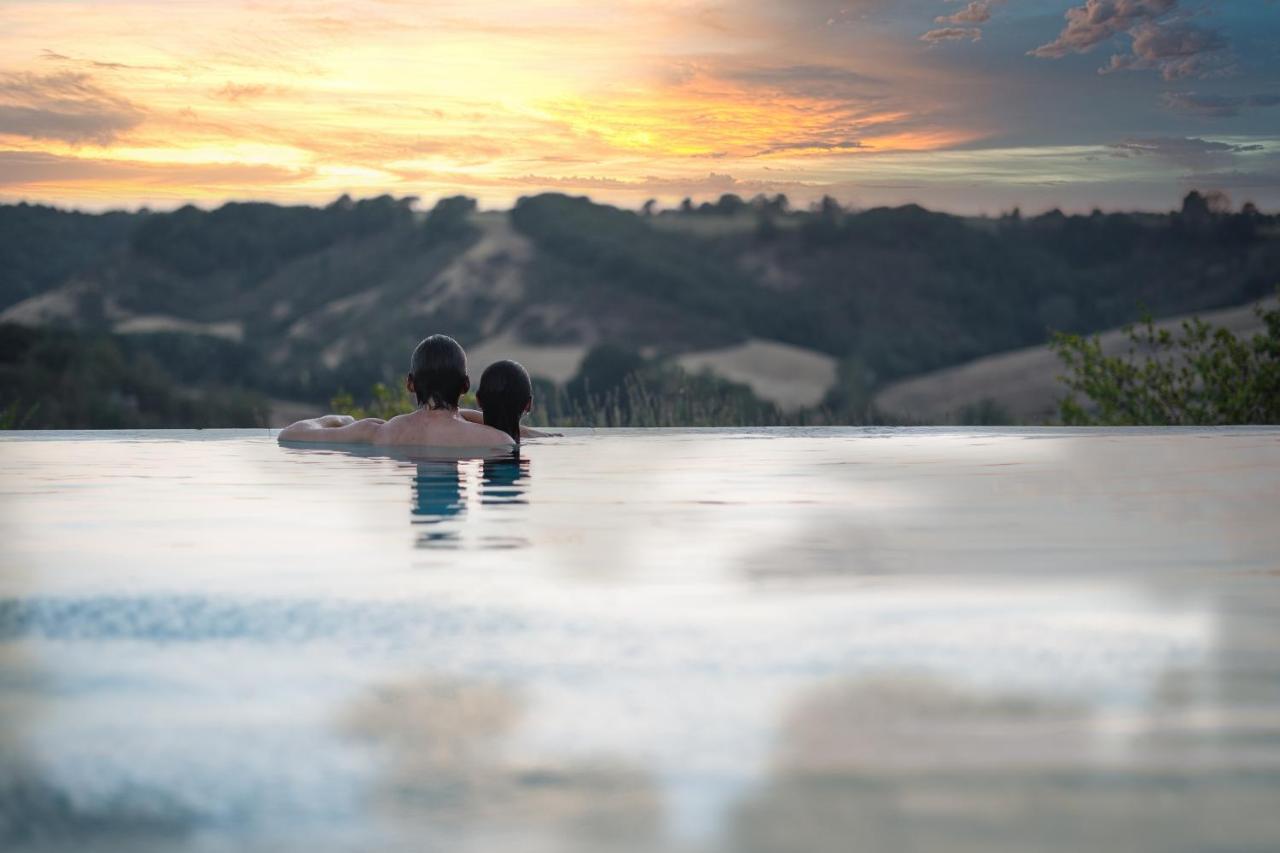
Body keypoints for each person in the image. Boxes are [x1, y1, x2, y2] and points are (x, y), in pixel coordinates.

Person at [277, 334, 514, 449]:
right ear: (465, 386)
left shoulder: (379, 432)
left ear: (410, 384)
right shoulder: (497, 441)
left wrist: (338, 419)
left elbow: (289, 435)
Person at [460, 359, 553, 445]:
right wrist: (525, 431)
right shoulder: (536, 443)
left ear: (478, 400)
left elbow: (457, 414)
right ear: (529, 404)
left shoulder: (467, 439)